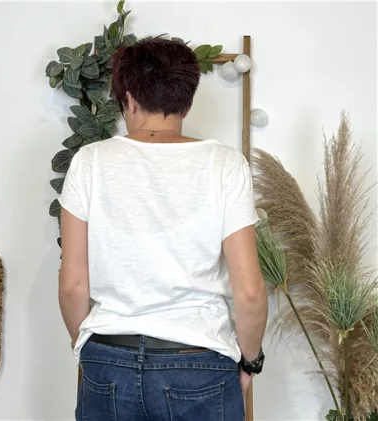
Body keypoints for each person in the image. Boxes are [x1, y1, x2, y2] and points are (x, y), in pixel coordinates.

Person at [58, 38, 268, 421]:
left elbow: (73, 285)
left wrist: (86, 347)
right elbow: (250, 291)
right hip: (197, 360)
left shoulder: (89, 162)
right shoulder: (224, 164)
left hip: (108, 357)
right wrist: (250, 361)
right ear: (187, 102)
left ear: (126, 98)